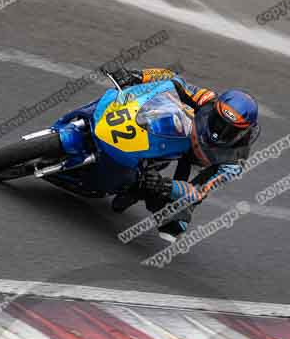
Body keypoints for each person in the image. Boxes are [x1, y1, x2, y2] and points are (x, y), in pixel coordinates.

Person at [105, 67, 260, 240]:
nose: (219, 132)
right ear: (215, 109)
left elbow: (200, 190)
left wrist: (166, 186)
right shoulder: (208, 99)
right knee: (149, 115)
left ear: (243, 132)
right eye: (217, 121)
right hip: (185, 135)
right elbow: (175, 81)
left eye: (229, 131)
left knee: (175, 222)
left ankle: (137, 190)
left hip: (199, 163)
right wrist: (139, 75)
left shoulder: (234, 162)